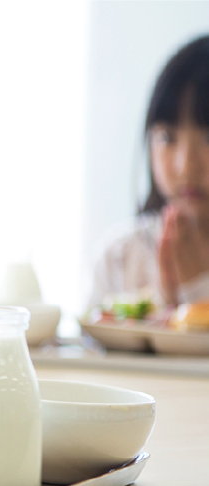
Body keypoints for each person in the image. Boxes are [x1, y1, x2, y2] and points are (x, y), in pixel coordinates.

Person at [89, 34, 209, 310]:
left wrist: (192, 292)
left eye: (208, 139)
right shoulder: (119, 258)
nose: (186, 165)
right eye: (168, 137)